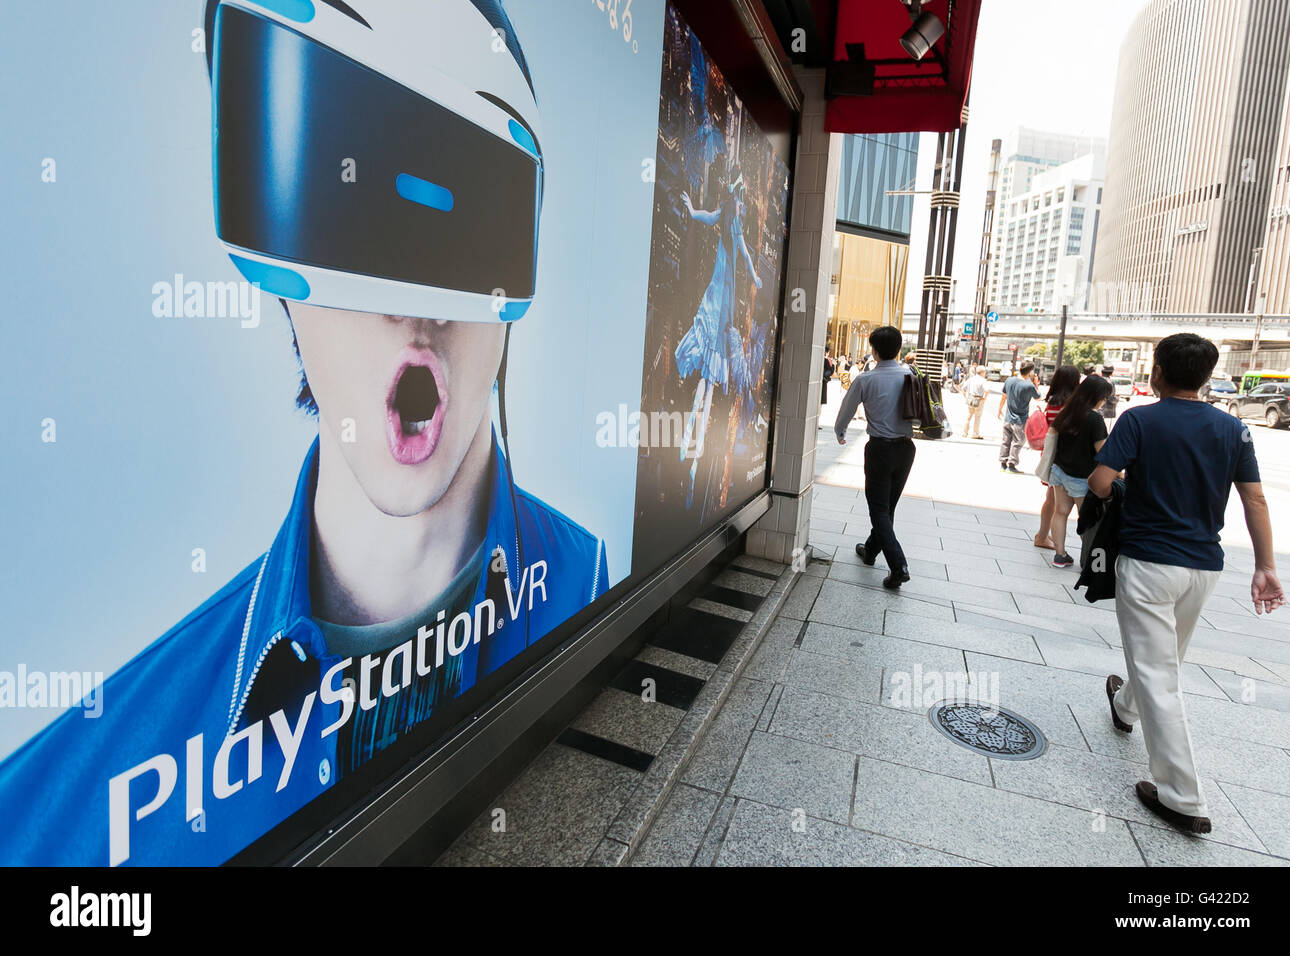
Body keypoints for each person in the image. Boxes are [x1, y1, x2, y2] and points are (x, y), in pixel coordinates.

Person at [0, 0, 609, 866]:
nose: (416, 307)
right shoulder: (64, 814)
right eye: (350, 201)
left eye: (467, 214)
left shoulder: (580, 578)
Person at [1089, 333, 1286, 835]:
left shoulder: (1139, 419)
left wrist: (1126, 489)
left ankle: (1182, 796)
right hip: (1204, 566)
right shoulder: (1234, 428)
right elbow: (1255, 501)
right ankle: (1124, 705)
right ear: (1205, 376)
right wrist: (1266, 566)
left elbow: (1100, 481)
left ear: (1158, 371)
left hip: (1150, 561)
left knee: (1161, 671)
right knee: (1164, 656)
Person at [676, 167, 763, 507]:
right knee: (708, 380)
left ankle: (690, 452)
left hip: (721, 292)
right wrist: (754, 278)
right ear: (737, 201)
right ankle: (690, 453)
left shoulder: (728, 219)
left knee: (708, 378)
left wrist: (691, 208)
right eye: (741, 202)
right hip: (721, 291)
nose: (741, 207)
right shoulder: (730, 218)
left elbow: (710, 221)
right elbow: (740, 251)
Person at [835, 326, 916, 589]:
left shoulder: (866, 380)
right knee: (888, 506)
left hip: (879, 449)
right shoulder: (910, 375)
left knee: (879, 509)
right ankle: (870, 549)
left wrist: (840, 431)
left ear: (874, 350)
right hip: (906, 449)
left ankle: (898, 565)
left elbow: (846, 410)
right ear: (899, 349)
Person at [1045, 375, 1112, 568]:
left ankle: (1060, 555)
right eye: (1104, 397)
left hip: (1059, 470)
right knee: (1087, 521)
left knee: (1060, 512)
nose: (1104, 401)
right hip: (1082, 477)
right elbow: (1103, 452)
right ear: (1096, 396)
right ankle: (1090, 561)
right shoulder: (1095, 419)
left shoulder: (1067, 411)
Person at [1034, 366, 1081, 549]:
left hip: (1050, 452)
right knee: (1054, 499)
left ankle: (1044, 534)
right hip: (1062, 455)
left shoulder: (1053, 401)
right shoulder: (1070, 404)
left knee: (1051, 497)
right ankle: (1043, 536)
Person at [997, 361, 1038, 473]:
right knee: (1018, 442)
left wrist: (999, 409)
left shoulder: (1009, 380)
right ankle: (1011, 464)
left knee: (1006, 441)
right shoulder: (1029, 385)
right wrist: (1035, 383)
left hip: (1008, 417)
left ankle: (1003, 464)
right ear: (1030, 371)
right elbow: (1038, 398)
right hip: (1020, 419)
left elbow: (1004, 396)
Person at [960, 364, 990, 439]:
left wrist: (966, 397)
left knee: (969, 416)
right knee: (977, 417)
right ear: (982, 372)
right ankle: (975, 434)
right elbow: (987, 390)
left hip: (970, 398)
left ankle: (964, 432)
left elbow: (963, 388)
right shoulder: (983, 380)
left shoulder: (971, 379)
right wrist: (984, 398)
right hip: (978, 399)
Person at [1100, 365, 1119, 431]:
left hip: (1097, 408)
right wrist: (1117, 399)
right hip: (1107, 410)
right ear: (1111, 372)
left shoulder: (1097, 380)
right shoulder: (1110, 382)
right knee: (1106, 430)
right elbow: (1111, 398)